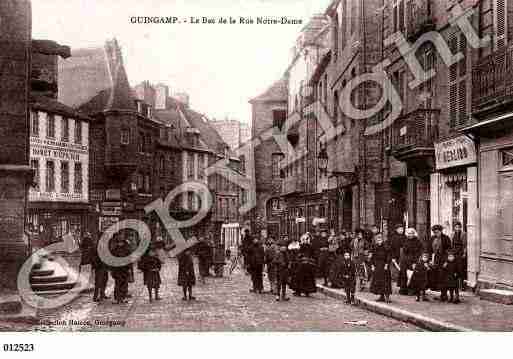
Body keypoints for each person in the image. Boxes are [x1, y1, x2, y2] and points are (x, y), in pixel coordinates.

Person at [429, 224, 452, 300]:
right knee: (437, 276)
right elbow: (429, 249)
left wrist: (447, 261)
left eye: (437, 232)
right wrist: (430, 260)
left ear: (441, 231)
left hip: (444, 258)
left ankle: (444, 294)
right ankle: (441, 294)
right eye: (434, 232)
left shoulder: (446, 238)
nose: (436, 233)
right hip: (436, 259)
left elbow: (449, 250)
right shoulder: (432, 238)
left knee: (443, 276)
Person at [398, 228, 423, 295]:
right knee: (404, 274)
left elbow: (419, 252)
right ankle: (404, 289)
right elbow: (404, 251)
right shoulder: (406, 241)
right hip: (405, 260)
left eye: (411, 233)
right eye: (409, 233)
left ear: (414, 234)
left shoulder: (418, 241)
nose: (410, 235)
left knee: (413, 275)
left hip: (414, 260)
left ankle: (412, 290)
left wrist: (415, 262)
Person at [370, 233, 392, 303]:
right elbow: (372, 257)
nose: (379, 241)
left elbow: (389, 256)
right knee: (378, 281)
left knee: (386, 281)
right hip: (377, 266)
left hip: (384, 266)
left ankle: (387, 297)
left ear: (382, 240)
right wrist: (372, 265)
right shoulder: (375, 247)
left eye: (380, 239)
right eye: (377, 239)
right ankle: (381, 296)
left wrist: (387, 264)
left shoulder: (386, 247)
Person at [111, 236, 131, 304]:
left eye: (121, 242)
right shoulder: (114, 251)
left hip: (124, 269)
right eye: (119, 242)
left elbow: (129, 260)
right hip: (118, 270)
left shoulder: (126, 250)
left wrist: (129, 268)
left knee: (124, 284)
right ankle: (117, 298)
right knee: (118, 284)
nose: (120, 243)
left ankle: (122, 297)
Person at [91, 235, 109, 302]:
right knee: (98, 282)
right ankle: (95, 297)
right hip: (99, 267)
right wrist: (96, 265)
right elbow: (93, 257)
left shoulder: (105, 246)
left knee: (105, 280)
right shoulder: (96, 247)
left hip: (104, 266)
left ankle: (102, 294)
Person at [452, 222, 467, 289]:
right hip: (454, 253)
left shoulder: (463, 234)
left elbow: (465, 245)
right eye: (456, 227)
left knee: (461, 269)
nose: (457, 228)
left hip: (460, 253)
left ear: (460, 227)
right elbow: (451, 245)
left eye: (458, 227)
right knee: (454, 269)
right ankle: (455, 285)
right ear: (454, 228)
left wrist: (464, 253)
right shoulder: (452, 234)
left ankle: (462, 285)